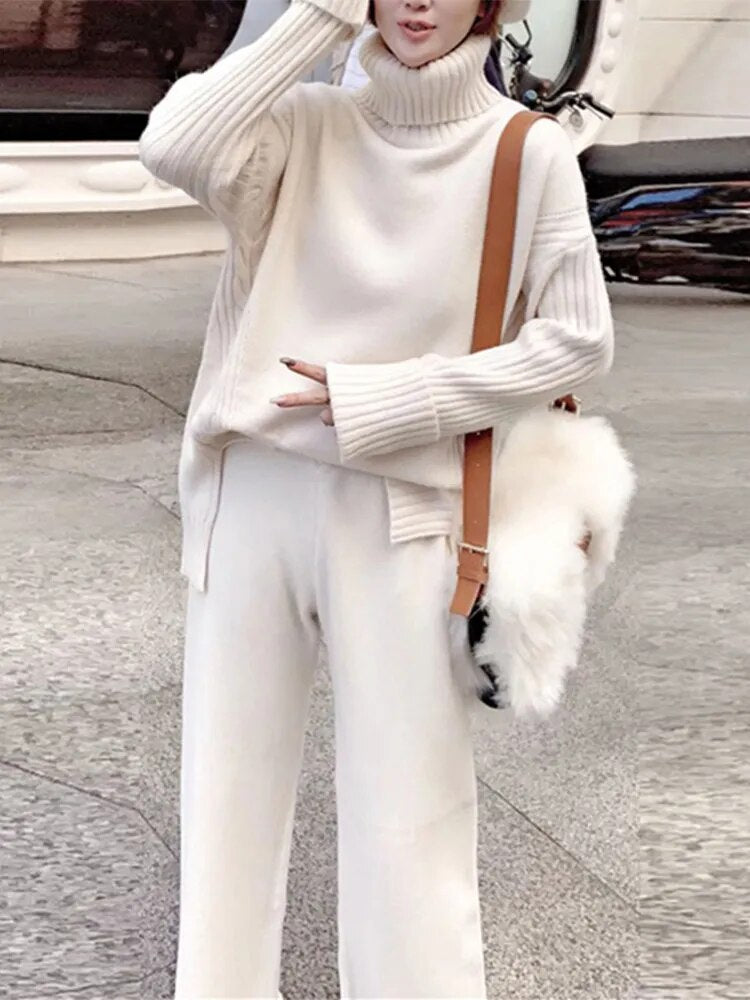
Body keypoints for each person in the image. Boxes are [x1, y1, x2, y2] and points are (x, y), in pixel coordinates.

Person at [137, 1, 614, 997]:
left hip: (406, 509)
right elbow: (173, 145)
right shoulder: (302, 125)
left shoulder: (525, 151)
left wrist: (398, 397)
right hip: (253, 492)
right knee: (226, 802)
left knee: (411, 819)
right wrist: (316, 14)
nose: (417, 3)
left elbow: (577, 340)